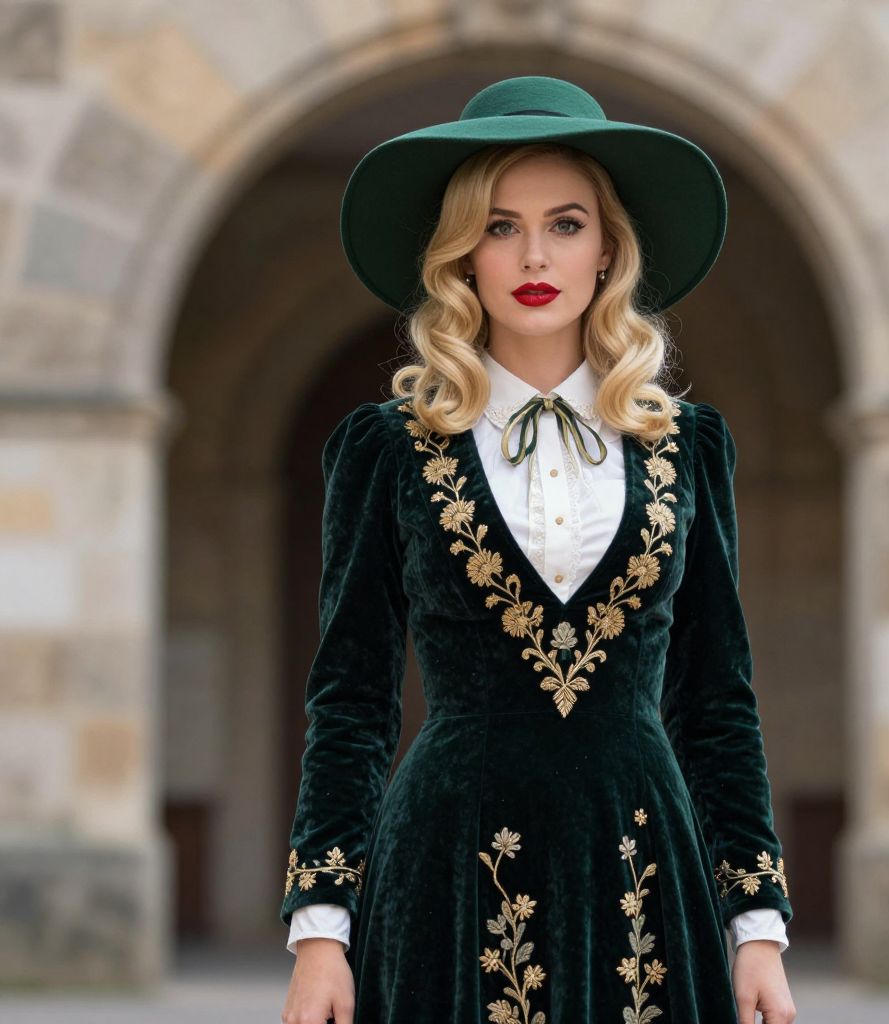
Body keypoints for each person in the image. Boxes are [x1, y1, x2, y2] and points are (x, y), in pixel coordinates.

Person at [280, 76, 796, 1024]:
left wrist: (755, 922)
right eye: (498, 225)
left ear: (608, 251)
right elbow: (350, 697)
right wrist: (322, 929)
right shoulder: (390, 447)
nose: (532, 254)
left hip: (642, 859)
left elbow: (717, 698)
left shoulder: (687, 445)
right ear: (460, 255)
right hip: (447, 863)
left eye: (565, 224)